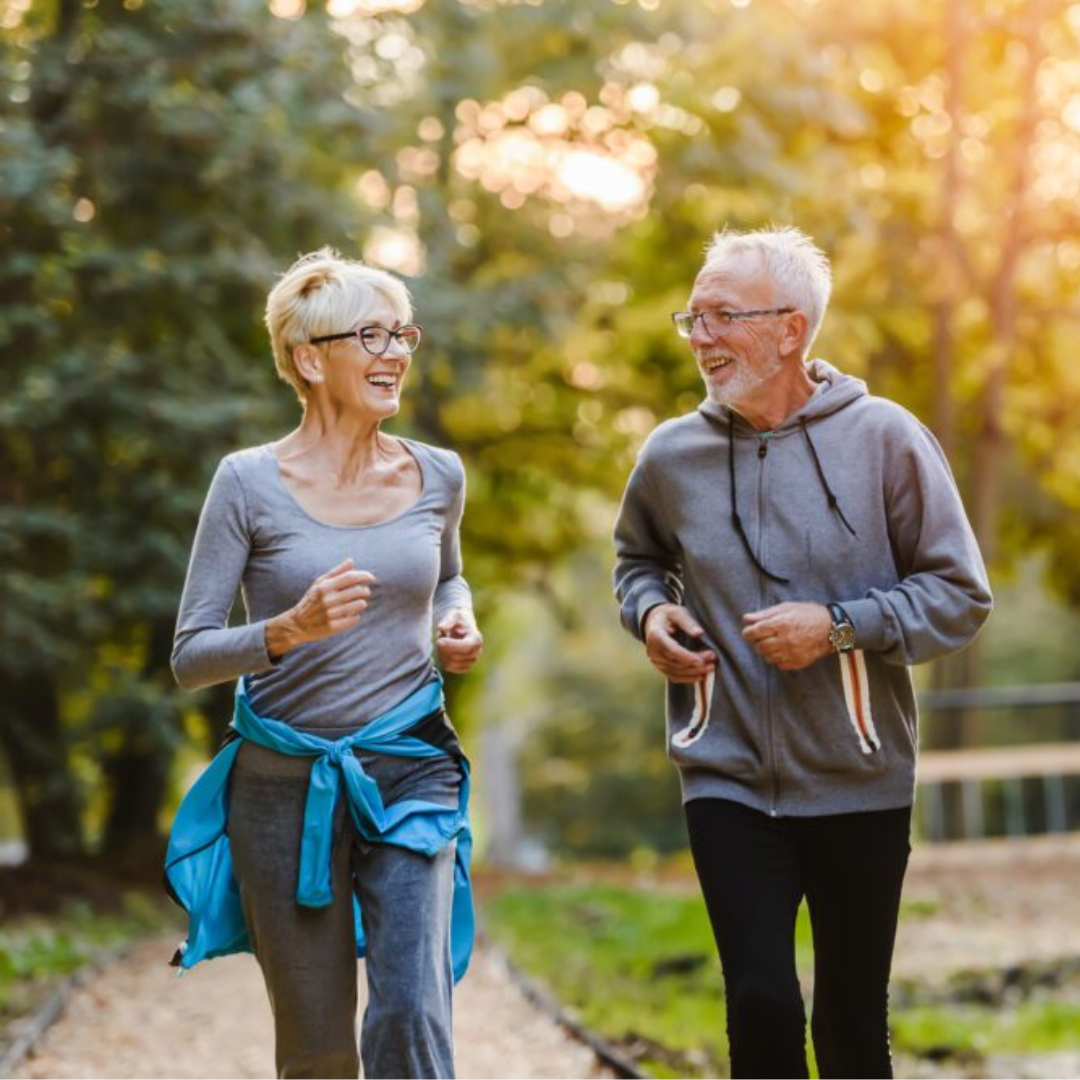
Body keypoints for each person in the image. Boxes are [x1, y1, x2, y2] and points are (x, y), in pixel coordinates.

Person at [613, 226, 991, 1079]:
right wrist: (649, 617)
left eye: (720, 317)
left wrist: (840, 625)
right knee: (759, 1002)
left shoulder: (887, 439)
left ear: (790, 328)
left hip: (860, 775)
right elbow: (637, 561)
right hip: (726, 775)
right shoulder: (673, 455)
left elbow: (961, 594)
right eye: (693, 318)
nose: (700, 338)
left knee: (852, 1025)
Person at [165, 248, 482, 1080]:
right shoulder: (245, 484)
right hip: (282, 785)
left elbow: (448, 574)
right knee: (315, 1048)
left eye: (402, 332)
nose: (396, 351)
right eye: (370, 334)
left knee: (414, 1009)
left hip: (411, 766)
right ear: (310, 358)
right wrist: (285, 631)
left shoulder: (438, 474)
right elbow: (190, 654)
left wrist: (457, 619)